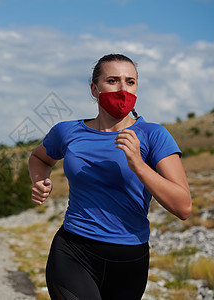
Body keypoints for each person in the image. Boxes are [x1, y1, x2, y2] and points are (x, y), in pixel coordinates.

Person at [28, 53, 192, 300]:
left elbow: (183, 207)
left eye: (130, 81)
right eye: (113, 81)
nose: (123, 89)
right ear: (94, 89)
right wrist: (39, 181)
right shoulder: (67, 131)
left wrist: (139, 164)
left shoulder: (153, 135)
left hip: (129, 260)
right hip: (74, 250)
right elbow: (39, 158)